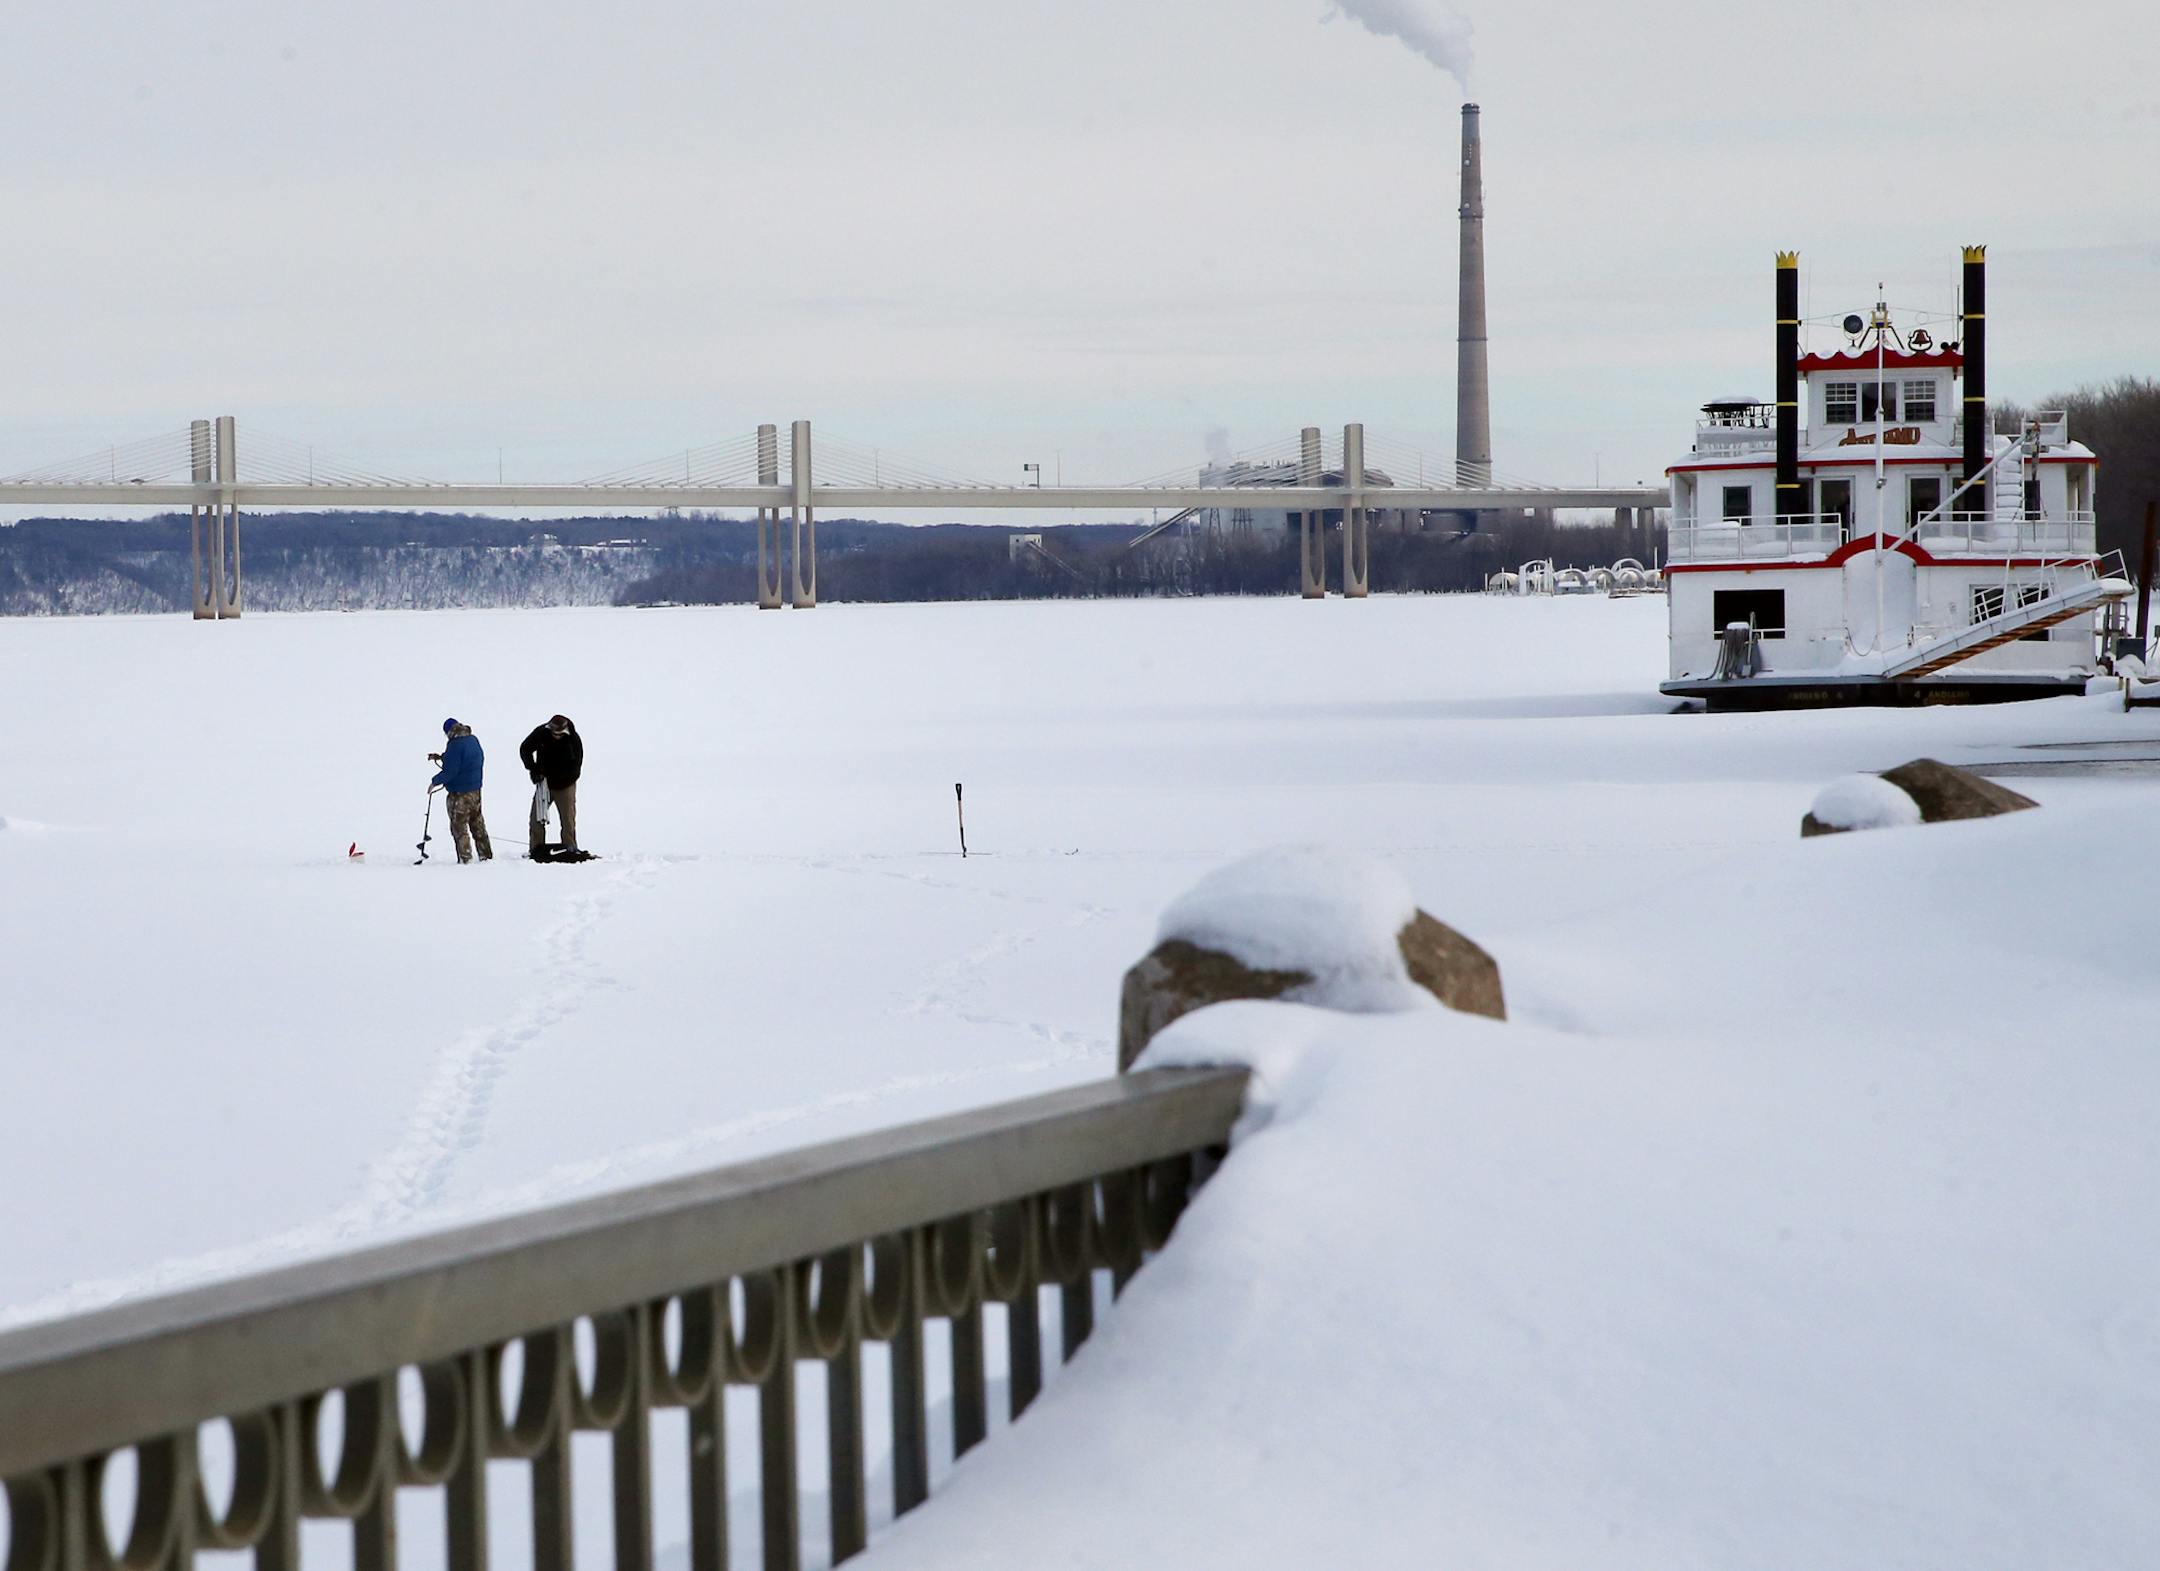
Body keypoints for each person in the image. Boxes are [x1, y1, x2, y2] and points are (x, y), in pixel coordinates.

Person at [519, 713, 584, 858]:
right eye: (555, 733)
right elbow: (525, 749)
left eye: (560, 734)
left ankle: (570, 848)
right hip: (544, 784)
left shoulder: (573, 739)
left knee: (568, 820)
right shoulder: (541, 732)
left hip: (565, 785)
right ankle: (536, 849)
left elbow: (576, 767)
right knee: (536, 818)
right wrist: (533, 769)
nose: (557, 736)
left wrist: (559, 777)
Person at [428, 719, 492, 863]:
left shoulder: (455, 745)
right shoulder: (472, 739)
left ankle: (465, 858)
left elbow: (451, 770)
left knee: (459, 827)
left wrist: (435, 781)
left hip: (459, 794)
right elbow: (463, 759)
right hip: (475, 791)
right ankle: (486, 855)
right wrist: (441, 757)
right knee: (477, 823)